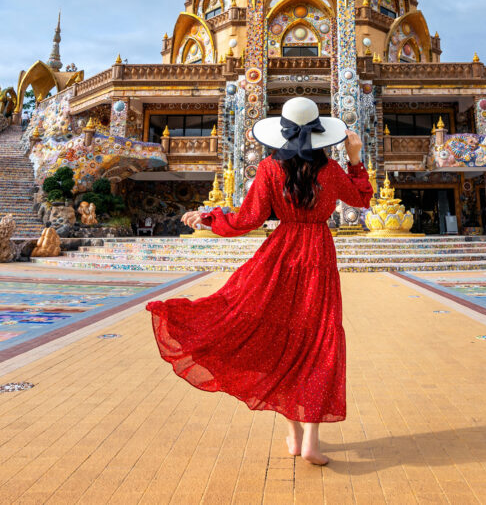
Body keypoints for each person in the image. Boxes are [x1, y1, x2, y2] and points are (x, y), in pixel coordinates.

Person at [146, 97, 373, 465]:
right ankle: (312, 440)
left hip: (280, 255)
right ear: (319, 134)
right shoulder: (330, 171)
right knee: (318, 339)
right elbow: (363, 197)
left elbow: (246, 220)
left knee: (279, 336)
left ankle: (294, 437)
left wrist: (208, 218)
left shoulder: (269, 169)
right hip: (317, 255)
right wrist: (355, 157)